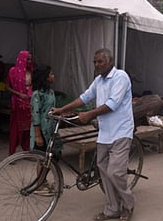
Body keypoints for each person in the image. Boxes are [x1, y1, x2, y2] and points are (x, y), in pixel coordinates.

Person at [51, 48, 135, 221]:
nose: (96, 65)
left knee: (115, 172)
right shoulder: (98, 81)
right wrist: (62, 109)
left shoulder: (120, 77)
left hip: (121, 131)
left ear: (110, 61)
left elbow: (113, 103)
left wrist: (89, 115)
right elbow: (84, 98)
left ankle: (128, 204)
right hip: (104, 133)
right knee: (103, 173)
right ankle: (112, 209)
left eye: (100, 61)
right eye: (94, 62)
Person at [5, 50, 33, 155]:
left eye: (30, 59)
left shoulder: (31, 72)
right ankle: (11, 153)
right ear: (22, 59)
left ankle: (27, 151)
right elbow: (6, 87)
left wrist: (30, 94)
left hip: (29, 104)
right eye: (27, 59)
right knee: (15, 129)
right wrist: (19, 94)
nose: (29, 61)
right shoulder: (13, 71)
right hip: (17, 103)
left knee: (28, 129)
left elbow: (32, 86)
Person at [30, 66, 58, 153]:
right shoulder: (37, 94)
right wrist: (38, 136)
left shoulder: (51, 92)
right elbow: (35, 115)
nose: (53, 76)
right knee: (42, 157)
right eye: (51, 74)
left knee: (51, 156)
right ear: (45, 77)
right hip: (41, 129)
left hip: (50, 128)